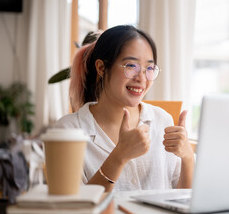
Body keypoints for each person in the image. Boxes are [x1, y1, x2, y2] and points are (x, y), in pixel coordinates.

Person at [54, 25, 194, 192]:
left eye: (149, 68)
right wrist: (119, 156)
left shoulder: (163, 120)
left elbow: (182, 198)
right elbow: (73, 207)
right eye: (131, 66)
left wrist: (188, 157)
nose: (141, 78)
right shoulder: (67, 130)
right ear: (101, 68)